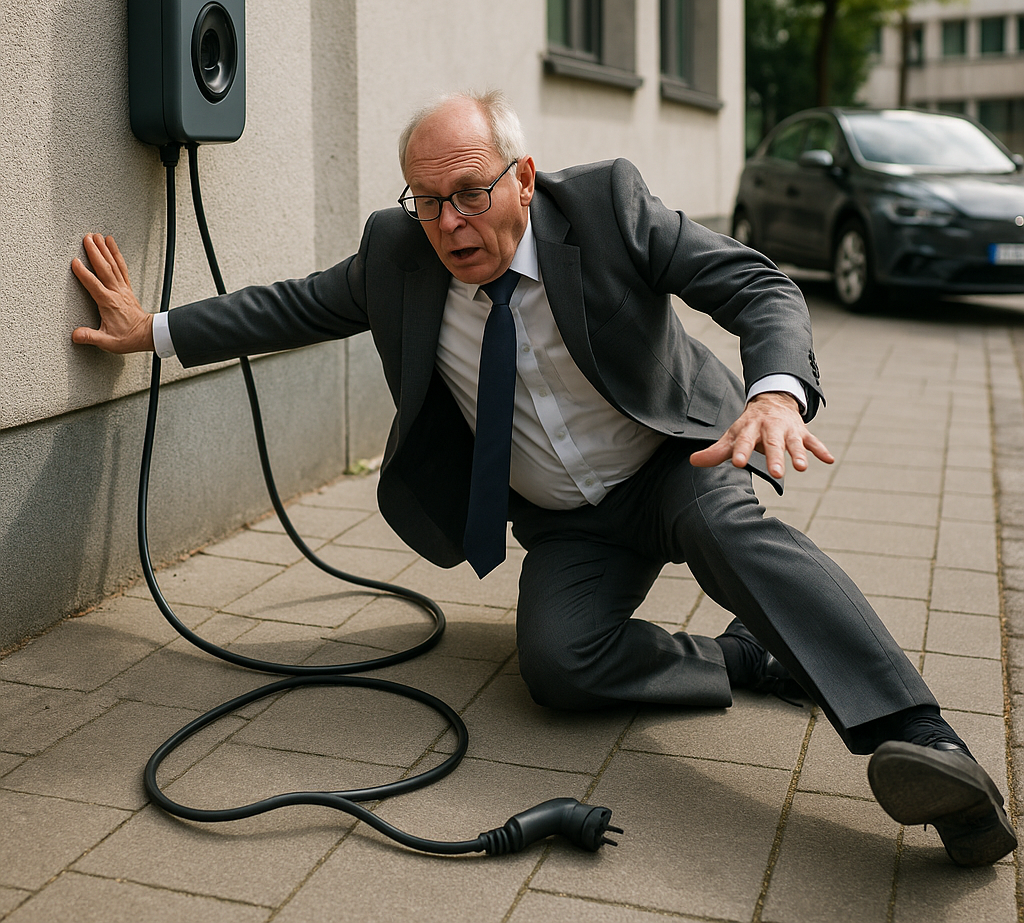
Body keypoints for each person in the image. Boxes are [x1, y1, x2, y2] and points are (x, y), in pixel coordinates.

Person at [72, 89, 1015, 867]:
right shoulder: (397, 256)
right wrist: (148, 330)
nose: (448, 223)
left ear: (522, 178)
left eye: (471, 194)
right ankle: (743, 658)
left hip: (672, 462)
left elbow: (757, 284)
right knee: (558, 667)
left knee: (733, 535)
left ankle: (931, 749)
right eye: (426, 201)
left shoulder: (606, 207)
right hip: (569, 523)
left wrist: (775, 395)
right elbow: (290, 309)